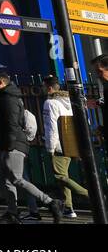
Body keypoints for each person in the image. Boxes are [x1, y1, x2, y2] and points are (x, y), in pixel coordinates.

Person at [0, 71, 62, 224]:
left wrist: (8, 146)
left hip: (13, 144)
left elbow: (11, 123)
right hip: (5, 144)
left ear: (1, 81)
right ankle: (12, 212)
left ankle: (51, 202)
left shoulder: (9, 99)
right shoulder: (2, 97)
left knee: (16, 178)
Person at [40, 76, 84, 220]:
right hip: (72, 143)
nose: (41, 89)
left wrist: (50, 148)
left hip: (59, 145)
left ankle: (92, 195)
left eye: (43, 86)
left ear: (49, 88)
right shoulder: (68, 102)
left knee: (59, 176)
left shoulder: (50, 103)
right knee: (63, 176)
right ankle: (69, 208)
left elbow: (51, 127)